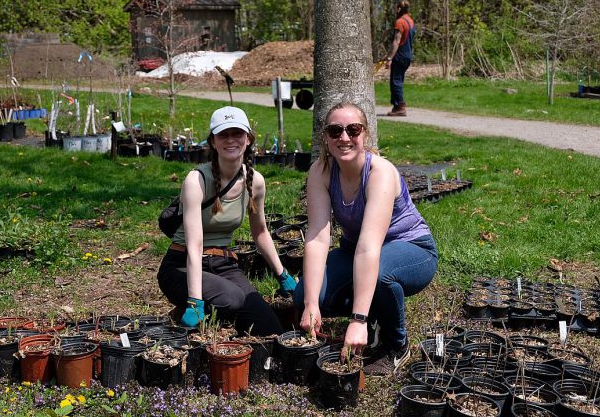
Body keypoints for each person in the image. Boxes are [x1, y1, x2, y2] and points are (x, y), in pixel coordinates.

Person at [293, 101, 437, 375]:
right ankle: (374, 314)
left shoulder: (379, 173)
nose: (344, 137)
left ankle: (396, 344)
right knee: (304, 294)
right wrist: (311, 305)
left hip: (411, 249)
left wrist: (356, 319)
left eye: (353, 129)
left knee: (381, 274)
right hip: (355, 249)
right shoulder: (321, 171)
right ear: (325, 137)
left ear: (365, 134)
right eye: (335, 131)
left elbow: (370, 248)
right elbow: (317, 237)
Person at [157, 106, 296, 336]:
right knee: (231, 299)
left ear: (248, 139)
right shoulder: (197, 180)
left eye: (237, 133)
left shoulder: (256, 182)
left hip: (223, 264)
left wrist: (283, 275)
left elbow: (260, 232)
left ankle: (222, 325)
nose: (231, 140)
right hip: (181, 265)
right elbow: (194, 246)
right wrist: (194, 300)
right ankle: (183, 316)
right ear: (213, 141)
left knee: (268, 326)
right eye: (223, 134)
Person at [386, 0, 416, 117]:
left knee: (396, 81)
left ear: (398, 9)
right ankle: (396, 106)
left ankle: (400, 106)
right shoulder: (410, 21)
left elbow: (396, 41)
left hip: (400, 54)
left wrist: (389, 58)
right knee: (399, 80)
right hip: (408, 54)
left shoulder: (400, 22)